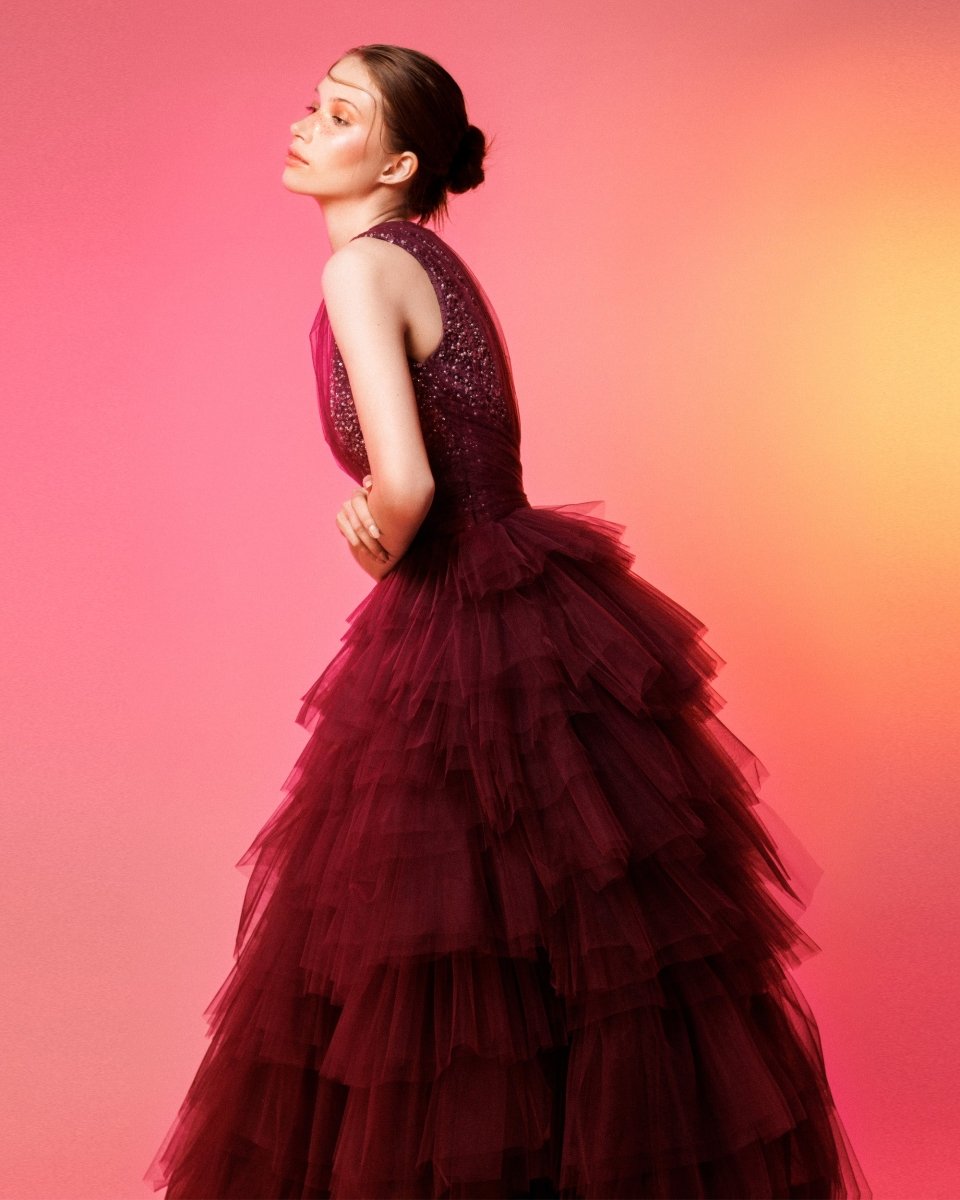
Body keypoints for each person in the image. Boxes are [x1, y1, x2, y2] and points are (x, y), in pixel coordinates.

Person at [144, 42, 872, 1200]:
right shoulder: (429, 259)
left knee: (438, 949)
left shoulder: (363, 269)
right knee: (560, 945)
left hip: (458, 612)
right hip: (527, 601)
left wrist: (379, 533)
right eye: (312, 104)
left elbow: (409, 482)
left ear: (399, 164)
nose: (305, 124)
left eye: (341, 114)